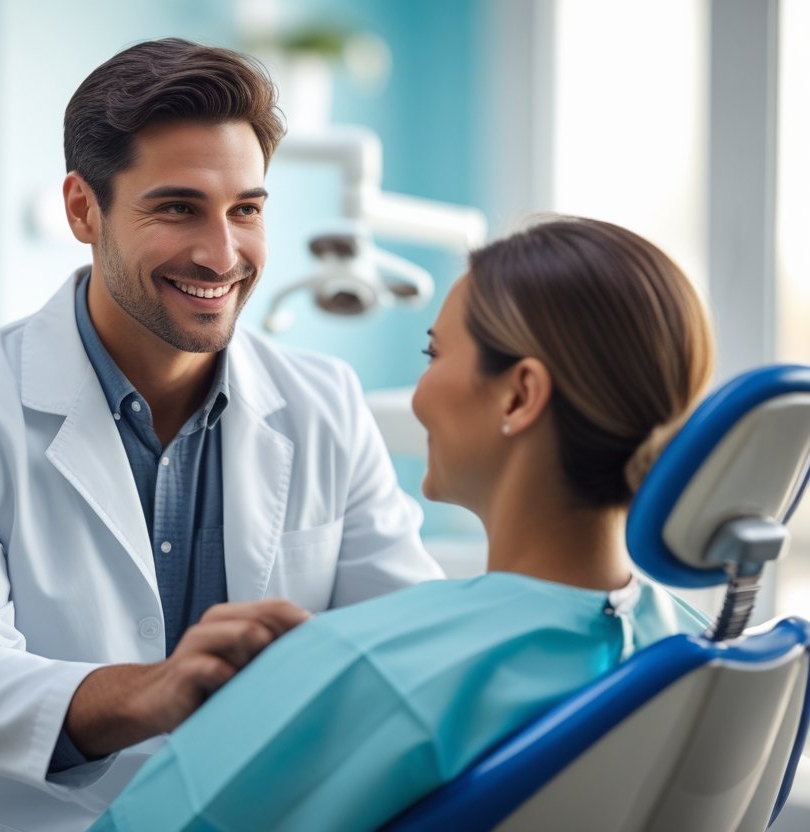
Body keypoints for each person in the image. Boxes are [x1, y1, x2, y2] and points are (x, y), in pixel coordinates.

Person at [0, 38, 442, 831]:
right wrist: (155, 691)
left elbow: (407, 641)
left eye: (246, 210)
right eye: (177, 208)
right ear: (81, 210)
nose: (222, 254)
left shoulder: (324, 402)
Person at [91, 216, 717, 831]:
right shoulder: (697, 650)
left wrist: (301, 683)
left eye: (434, 353)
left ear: (519, 396)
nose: (418, 393)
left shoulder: (365, 672)